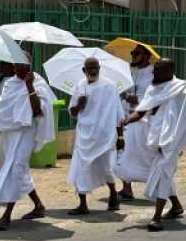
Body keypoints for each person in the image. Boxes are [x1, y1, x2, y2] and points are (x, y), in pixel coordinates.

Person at [0, 56, 56, 230]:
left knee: (16, 167)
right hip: (10, 133)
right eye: (18, 65)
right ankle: (39, 205)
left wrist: (30, 86)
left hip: (27, 132)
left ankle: (7, 215)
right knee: (19, 170)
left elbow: (37, 111)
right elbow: (3, 111)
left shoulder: (38, 82)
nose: (21, 68)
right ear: (14, 66)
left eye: (24, 65)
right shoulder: (9, 84)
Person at [122, 59, 186, 231]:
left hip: (173, 139)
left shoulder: (181, 88)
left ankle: (156, 217)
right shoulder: (152, 88)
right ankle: (177, 206)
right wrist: (127, 120)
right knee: (161, 171)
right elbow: (142, 110)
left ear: (170, 71)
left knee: (163, 172)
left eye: (158, 70)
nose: (153, 73)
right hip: (154, 138)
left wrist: (179, 139)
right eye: (154, 69)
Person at [67, 57, 124, 215]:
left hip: (103, 135)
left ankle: (113, 193)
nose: (93, 71)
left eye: (96, 68)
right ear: (84, 70)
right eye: (90, 68)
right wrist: (79, 104)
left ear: (99, 68)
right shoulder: (80, 86)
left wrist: (120, 136)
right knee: (80, 168)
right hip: (84, 134)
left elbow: (118, 113)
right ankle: (83, 204)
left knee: (105, 168)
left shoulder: (109, 86)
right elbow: (72, 112)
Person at [114, 45, 155, 200]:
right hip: (128, 119)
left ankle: (159, 188)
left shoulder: (154, 73)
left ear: (147, 55)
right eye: (132, 53)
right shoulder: (130, 71)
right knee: (123, 153)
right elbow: (123, 90)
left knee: (147, 156)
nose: (133, 56)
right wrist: (125, 96)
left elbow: (157, 94)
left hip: (145, 120)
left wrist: (139, 100)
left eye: (136, 53)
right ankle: (126, 188)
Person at [0, 62, 16, 182]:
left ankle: (3, 180)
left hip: (8, 124)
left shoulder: (13, 82)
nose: (0, 67)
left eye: (3, 64)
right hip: (0, 123)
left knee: (3, 153)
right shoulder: (3, 80)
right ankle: (0, 179)